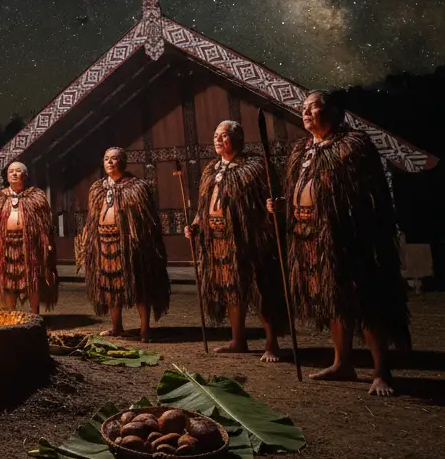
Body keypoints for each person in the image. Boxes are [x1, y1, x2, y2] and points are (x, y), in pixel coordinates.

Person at [267, 91, 410, 396]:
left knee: (365, 302)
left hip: (349, 238)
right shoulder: (302, 149)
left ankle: (381, 371)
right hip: (311, 238)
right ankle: (342, 362)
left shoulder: (353, 146)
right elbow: (299, 188)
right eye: (303, 108)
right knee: (334, 299)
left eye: (313, 107)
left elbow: (369, 194)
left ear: (333, 112)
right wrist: (284, 206)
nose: (305, 112)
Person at [186, 121, 285, 360]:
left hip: (247, 240)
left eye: (224, 135)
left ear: (238, 139)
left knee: (259, 290)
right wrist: (196, 225)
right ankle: (237, 340)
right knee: (231, 289)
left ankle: (271, 344)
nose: (218, 140)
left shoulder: (255, 168)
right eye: (216, 135)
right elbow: (204, 205)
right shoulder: (211, 169)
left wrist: (273, 208)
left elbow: (272, 199)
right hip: (217, 239)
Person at [77, 146, 169, 341]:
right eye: (106, 159)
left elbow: (147, 220)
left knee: (138, 285)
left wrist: (138, 242)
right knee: (111, 286)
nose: (109, 162)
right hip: (103, 242)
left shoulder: (137, 187)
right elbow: (92, 218)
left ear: (124, 162)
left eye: (114, 158)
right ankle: (116, 327)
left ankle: (144, 329)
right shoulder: (98, 188)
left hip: (129, 245)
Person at [0, 161, 57, 314]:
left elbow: (45, 223)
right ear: (7, 176)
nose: (14, 174)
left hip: (29, 245)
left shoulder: (36, 196)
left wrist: (47, 243)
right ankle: (12, 314)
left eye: (18, 171)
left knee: (32, 280)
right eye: (11, 171)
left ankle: (35, 314)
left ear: (25, 175)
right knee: (9, 282)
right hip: (6, 245)